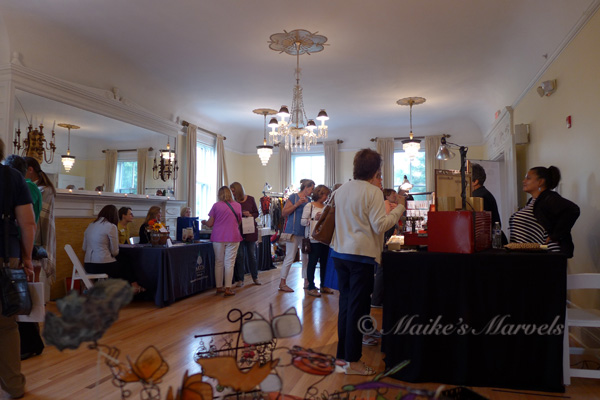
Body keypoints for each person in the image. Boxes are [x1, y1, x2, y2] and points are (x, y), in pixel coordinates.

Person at [331, 149, 405, 376]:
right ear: (375, 171)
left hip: (339, 253)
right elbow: (380, 225)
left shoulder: (342, 189)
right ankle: (353, 361)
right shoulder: (372, 192)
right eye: (379, 172)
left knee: (346, 306)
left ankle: (343, 358)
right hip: (360, 256)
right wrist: (399, 208)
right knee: (358, 308)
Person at [0, 139, 36, 399]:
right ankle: (13, 386)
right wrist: (27, 258)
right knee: (5, 325)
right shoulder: (12, 177)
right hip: (4, 255)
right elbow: (28, 223)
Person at [4, 155, 45, 361]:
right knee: (18, 299)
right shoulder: (32, 188)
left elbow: (25, 223)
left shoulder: (24, 186)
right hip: (20, 246)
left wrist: (25, 255)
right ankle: (32, 343)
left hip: (16, 246)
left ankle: (29, 344)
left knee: (15, 302)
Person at [509, 166, 580, 258]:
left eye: (528, 178)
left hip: (548, 256)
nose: (524, 181)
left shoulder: (548, 198)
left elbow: (573, 209)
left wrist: (556, 235)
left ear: (540, 182)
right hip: (533, 256)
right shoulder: (532, 201)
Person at [83, 205, 144, 293]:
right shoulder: (111, 226)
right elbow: (115, 252)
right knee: (126, 262)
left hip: (88, 266)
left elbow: (84, 248)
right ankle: (133, 286)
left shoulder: (90, 225)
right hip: (102, 265)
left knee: (122, 262)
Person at [24, 157, 56, 303]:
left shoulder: (44, 189)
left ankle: (34, 304)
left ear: (30, 169)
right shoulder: (41, 188)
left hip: (37, 236)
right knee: (32, 273)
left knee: (33, 273)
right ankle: (34, 304)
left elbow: (38, 216)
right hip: (35, 233)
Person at [201, 186, 243, 297]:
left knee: (219, 262)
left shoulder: (216, 206)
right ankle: (228, 288)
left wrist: (204, 222)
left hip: (218, 236)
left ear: (219, 194)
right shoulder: (238, 205)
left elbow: (210, 223)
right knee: (229, 263)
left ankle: (219, 287)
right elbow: (239, 221)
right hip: (233, 236)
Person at [278, 179, 314, 293]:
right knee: (290, 257)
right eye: (312, 188)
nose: (312, 191)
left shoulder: (309, 200)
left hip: (304, 232)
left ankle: (306, 281)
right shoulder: (293, 197)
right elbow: (284, 213)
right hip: (292, 231)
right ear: (306, 188)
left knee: (305, 258)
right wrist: (297, 204)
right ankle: (282, 283)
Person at [301, 184, 332, 297]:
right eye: (325, 195)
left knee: (324, 263)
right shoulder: (309, 206)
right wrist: (315, 218)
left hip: (324, 238)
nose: (327, 197)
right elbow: (303, 222)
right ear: (320, 194)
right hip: (313, 238)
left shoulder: (326, 206)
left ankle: (324, 285)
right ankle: (311, 286)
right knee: (312, 263)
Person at [230, 182, 261, 286]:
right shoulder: (233, 202)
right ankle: (240, 279)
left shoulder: (250, 199)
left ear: (238, 190)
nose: (232, 193)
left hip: (250, 230)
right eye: (231, 191)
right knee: (240, 256)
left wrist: (250, 214)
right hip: (238, 231)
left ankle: (255, 277)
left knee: (252, 255)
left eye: (234, 191)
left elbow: (257, 213)